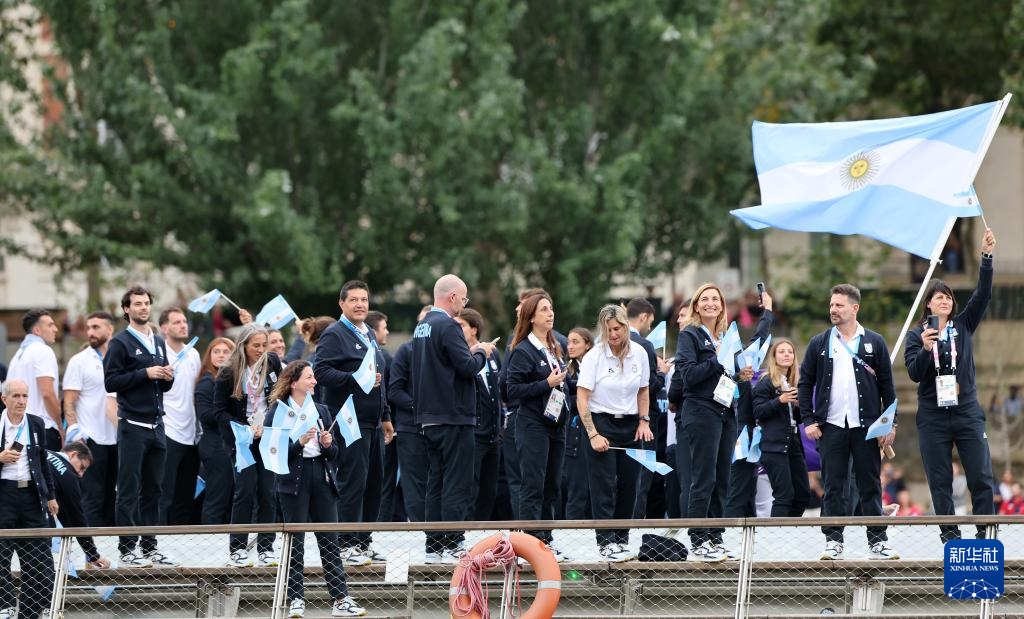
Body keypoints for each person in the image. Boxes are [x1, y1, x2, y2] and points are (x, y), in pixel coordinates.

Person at [905, 227, 997, 544]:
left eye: (948, 297)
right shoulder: (917, 335)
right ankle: (951, 537)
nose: (945, 300)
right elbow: (914, 374)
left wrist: (986, 257)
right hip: (933, 415)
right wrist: (927, 350)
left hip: (966, 409)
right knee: (940, 480)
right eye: (938, 297)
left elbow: (982, 294)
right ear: (928, 305)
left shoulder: (963, 325)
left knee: (981, 475)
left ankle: (985, 533)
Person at [798, 283, 898, 560]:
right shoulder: (819, 342)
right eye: (831, 305)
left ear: (855, 308)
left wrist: (890, 423)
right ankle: (833, 540)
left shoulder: (874, 341)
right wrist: (808, 419)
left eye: (839, 305)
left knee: (870, 484)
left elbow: (888, 387)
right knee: (833, 485)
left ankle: (877, 541)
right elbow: (805, 383)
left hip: (866, 426)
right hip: (830, 425)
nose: (833, 309)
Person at [676, 283, 772, 561]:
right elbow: (689, 376)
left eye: (715, 299)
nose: (710, 303)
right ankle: (698, 539)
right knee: (703, 479)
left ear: (721, 305)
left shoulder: (724, 335)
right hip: (701, 411)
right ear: (696, 305)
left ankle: (715, 538)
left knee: (722, 480)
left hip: (726, 411)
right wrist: (719, 361)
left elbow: (738, 362)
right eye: (704, 299)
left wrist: (739, 374)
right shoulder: (690, 335)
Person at [266, 361, 366, 618]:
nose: (314, 381)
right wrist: (298, 443)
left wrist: (328, 444)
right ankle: (296, 598)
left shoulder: (321, 409)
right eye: (309, 377)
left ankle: (341, 598)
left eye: (313, 377)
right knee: (295, 542)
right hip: (292, 481)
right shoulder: (278, 410)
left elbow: (335, 455)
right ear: (293, 381)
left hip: (321, 478)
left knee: (329, 540)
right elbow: (271, 454)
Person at [410, 275, 495, 563]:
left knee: (435, 481)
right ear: (453, 298)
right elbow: (468, 367)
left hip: (429, 416)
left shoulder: (422, 326)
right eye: (464, 298)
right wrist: (481, 352)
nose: (464, 304)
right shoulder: (447, 325)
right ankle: (453, 542)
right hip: (454, 415)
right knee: (457, 481)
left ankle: (433, 544)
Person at [313, 281, 391, 565]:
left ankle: (363, 540)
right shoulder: (335, 333)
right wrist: (354, 378)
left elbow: (375, 377)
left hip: (371, 419)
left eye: (364, 300)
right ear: (342, 303)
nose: (360, 304)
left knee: (374, 483)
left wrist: (385, 415)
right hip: (348, 420)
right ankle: (345, 544)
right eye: (354, 300)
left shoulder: (368, 331)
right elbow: (320, 371)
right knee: (352, 481)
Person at [103, 285, 178, 567]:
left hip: (158, 424)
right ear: (126, 309)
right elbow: (111, 382)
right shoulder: (120, 343)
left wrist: (168, 376)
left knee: (154, 489)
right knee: (128, 489)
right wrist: (144, 373)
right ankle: (126, 548)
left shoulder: (158, 341)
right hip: (132, 424)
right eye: (137, 304)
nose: (143, 308)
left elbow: (165, 385)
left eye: (146, 303)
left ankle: (149, 546)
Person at [576, 304, 652, 561]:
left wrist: (644, 421)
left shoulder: (640, 353)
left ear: (626, 327)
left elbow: (643, 390)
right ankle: (606, 541)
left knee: (631, 485)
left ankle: (622, 539)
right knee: (604, 486)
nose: (613, 334)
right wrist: (593, 434)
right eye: (608, 330)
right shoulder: (594, 357)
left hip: (630, 425)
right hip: (601, 422)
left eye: (617, 329)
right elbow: (582, 397)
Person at [505, 292, 571, 560]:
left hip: (556, 424)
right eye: (544, 309)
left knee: (552, 485)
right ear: (531, 316)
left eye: (551, 308)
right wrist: (547, 384)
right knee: (533, 484)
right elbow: (512, 390)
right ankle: (529, 545)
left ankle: (546, 539)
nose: (550, 313)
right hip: (532, 424)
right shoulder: (523, 349)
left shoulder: (555, 346)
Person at [215, 324, 282, 567]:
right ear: (243, 345)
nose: (261, 350)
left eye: (264, 345)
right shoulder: (228, 372)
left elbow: (280, 398)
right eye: (256, 346)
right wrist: (243, 428)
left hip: (267, 437)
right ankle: (237, 548)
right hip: (241, 440)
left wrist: (268, 423)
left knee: (268, 491)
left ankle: (266, 547)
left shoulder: (272, 362)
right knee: (244, 490)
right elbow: (219, 412)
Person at [0, 379, 58, 619]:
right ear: (4, 399)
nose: (21, 401)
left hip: (31, 495)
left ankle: (30, 612)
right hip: (4, 494)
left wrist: (51, 495)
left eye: (25, 396)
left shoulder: (35, 423)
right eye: (16, 396)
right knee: (1, 554)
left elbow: (43, 461)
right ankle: (4, 607)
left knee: (36, 558)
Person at [62, 311, 119, 527]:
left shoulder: (120, 357)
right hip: (91, 439)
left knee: (114, 499)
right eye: (88, 328)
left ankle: (114, 553)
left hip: (119, 438)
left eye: (96, 327)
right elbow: (68, 402)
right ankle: (90, 555)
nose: (90, 332)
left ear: (110, 329)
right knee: (92, 499)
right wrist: (77, 434)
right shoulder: (79, 361)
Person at [752, 339, 810, 517]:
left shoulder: (795, 382)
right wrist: (780, 401)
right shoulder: (766, 381)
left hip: (793, 442)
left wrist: (800, 406)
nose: (786, 355)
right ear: (774, 357)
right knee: (784, 495)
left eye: (790, 352)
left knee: (802, 495)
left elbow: (797, 419)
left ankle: (789, 532)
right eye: (782, 352)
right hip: (773, 445)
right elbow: (758, 411)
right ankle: (776, 539)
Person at [387, 306, 432, 529]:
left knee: (436, 484)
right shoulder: (407, 351)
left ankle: (439, 534)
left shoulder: (445, 352)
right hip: (411, 429)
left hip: (440, 428)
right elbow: (394, 391)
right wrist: (421, 407)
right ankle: (419, 531)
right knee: (414, 484)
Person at [456, 308, 503, 520]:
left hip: (493, 434)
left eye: (461, 326)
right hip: (472, 433)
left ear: (474, 329)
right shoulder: (459, 356)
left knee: (489, 489)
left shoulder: (492, 354)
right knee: (469, 487)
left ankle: (482, 534)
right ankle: (464, 535)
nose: (456, 330)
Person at [158, 307, 202, 525]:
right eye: (177, 322)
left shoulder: (193, 353)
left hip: (191, 433)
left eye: (184, 321)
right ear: (164, 328)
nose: (183, 325)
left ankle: (182, 545)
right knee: (164, 493)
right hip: (167, 430)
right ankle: (155, 544)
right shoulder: (158, 353)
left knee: (185, 495)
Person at [625, 298, 669, 519]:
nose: (649, 327)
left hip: (620, 419)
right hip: (644, 420)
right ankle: (635, 527)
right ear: (643, 318)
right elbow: (650, 385)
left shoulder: (612, 341)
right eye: (649, 322)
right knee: (642, 477)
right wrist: (662, 373)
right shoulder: (644, 345)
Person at [45, 441, 112, 569]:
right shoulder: (68, 474)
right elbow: (77, 518)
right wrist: (93, 555)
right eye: (82, 467)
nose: (80, 474)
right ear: (73, 454)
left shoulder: (46, 453)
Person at [7, 309, 62, 450]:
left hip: (18, 431)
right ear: (37, 330)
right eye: (50, 325)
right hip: (43, 429)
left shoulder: (17, 356)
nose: (55, 329)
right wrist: (61, 427)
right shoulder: (43, 350)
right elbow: (47, 394)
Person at [195, 337, 236, 524]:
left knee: (229, 498)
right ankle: (209, 541)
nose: (221, 355)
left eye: (226, 351)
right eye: (216, 351)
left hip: (229, 444)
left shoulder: (233, 380)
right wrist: (233, 417)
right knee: (217, 498)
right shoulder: (207, 382)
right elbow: (205, 416)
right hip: (215, 446)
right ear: (209, 357)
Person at [366, 310, 401, 522]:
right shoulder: (382, 357)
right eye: (384, 327)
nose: (387, 331)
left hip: (381, 423)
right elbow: (387, 392)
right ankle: (381, 522)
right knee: (383, 480)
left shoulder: (381, 355)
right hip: (382, 426)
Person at [562, 327, 594, 519]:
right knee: (577, 490)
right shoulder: (566, 371)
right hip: (574, 435)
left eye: (576, 342)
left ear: (588, 344)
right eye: (568, 342)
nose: (570, 346)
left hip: (597, 433)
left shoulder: (598, 367)